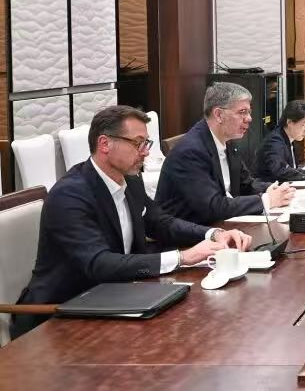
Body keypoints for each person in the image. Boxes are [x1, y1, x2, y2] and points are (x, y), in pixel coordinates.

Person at [11, 106, 252, 339]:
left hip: (115, 299)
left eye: (146, 143)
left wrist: (213, 234)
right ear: (104, 144)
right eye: (138, 144)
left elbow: (161, 223)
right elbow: (99, 264)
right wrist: (182, 257)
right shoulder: (70, 195)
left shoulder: (130, 181)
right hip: (59, 315)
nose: (145, 152)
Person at [156, 83, 294, 226]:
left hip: (221, 226)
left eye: (249, 112)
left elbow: (245, 184)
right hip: (191, 233)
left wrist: (272, 189)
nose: (249, 118)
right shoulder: (191, 151)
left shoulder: (227, 141)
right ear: (219, 115)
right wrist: (267, 200)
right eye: (242, 112)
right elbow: (212, 206)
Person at [255, 100, 305, 182]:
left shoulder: (288, 139)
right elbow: (280, 172)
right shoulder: (274, 142)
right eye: (304, 125)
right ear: (289, 122)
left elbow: (292, 168)